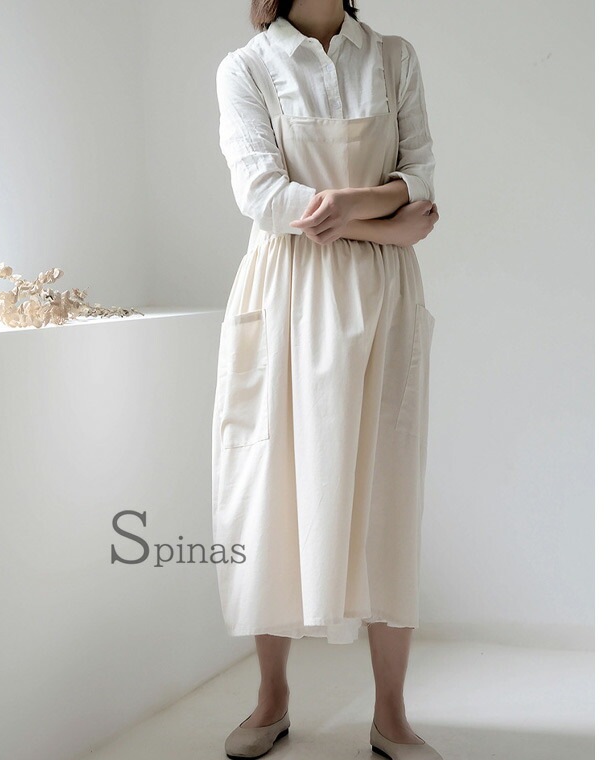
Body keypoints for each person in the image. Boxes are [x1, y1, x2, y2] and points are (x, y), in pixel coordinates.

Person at [211, 2, 442, 758]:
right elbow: (263, 196)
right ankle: (272, 698)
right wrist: (382, 220)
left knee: (386, 489)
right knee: (272, 490)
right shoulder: (247, 67)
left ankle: (391, 714)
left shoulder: (394, 55)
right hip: (288, 291)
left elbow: (421, 176)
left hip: (381, 296)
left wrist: (348, 207)